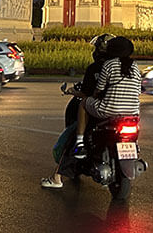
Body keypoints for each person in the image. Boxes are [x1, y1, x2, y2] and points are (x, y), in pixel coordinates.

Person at [41, 33, 114, 189]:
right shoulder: (126, 67)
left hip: (101, 110)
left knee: (72, 137)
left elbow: (91, 92)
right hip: (126, 112)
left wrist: (74, 92)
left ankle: (57, 176)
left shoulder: (99, 68)